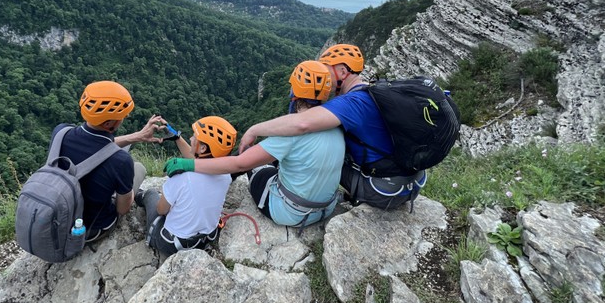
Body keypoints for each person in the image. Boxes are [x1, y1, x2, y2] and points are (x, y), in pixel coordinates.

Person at [239, 44, 426, 211]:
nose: (324, 78)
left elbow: (302, 123)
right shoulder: (371, 91)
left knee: (319, 157)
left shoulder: (351, 102)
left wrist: (253, 130)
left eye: (326, 71)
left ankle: (302, 198)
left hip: (383, 192)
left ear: (343, 71)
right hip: (409, 183)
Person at [163, 61, 345, 231]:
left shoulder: (289, 135)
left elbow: (240, 163)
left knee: (252, 158)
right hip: (325, 208)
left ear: (294, 91)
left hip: (290, 213)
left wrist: (189, 164)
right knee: (274, 160)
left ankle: (221, 178)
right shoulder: (335, 123)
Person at [51, 80, 161, 244]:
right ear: (109, 123)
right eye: (122, 116)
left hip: (59, 217)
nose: (124, 118)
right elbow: (123, 209)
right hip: (92, 228)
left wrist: (137, 136)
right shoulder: (121, 161)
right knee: (138, 168)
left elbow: (96, 146)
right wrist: (125, 189)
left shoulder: (61, 133)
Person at [137, 116, 236, 256]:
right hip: (205, 239)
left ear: (203, 148)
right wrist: (177, 138)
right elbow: (200, 163)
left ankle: (137, 195)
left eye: (195, 137)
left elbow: (161, 210)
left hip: (173, 244)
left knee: (151, 194)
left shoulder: (182, 177)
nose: (190, 138)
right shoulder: (225, 175)